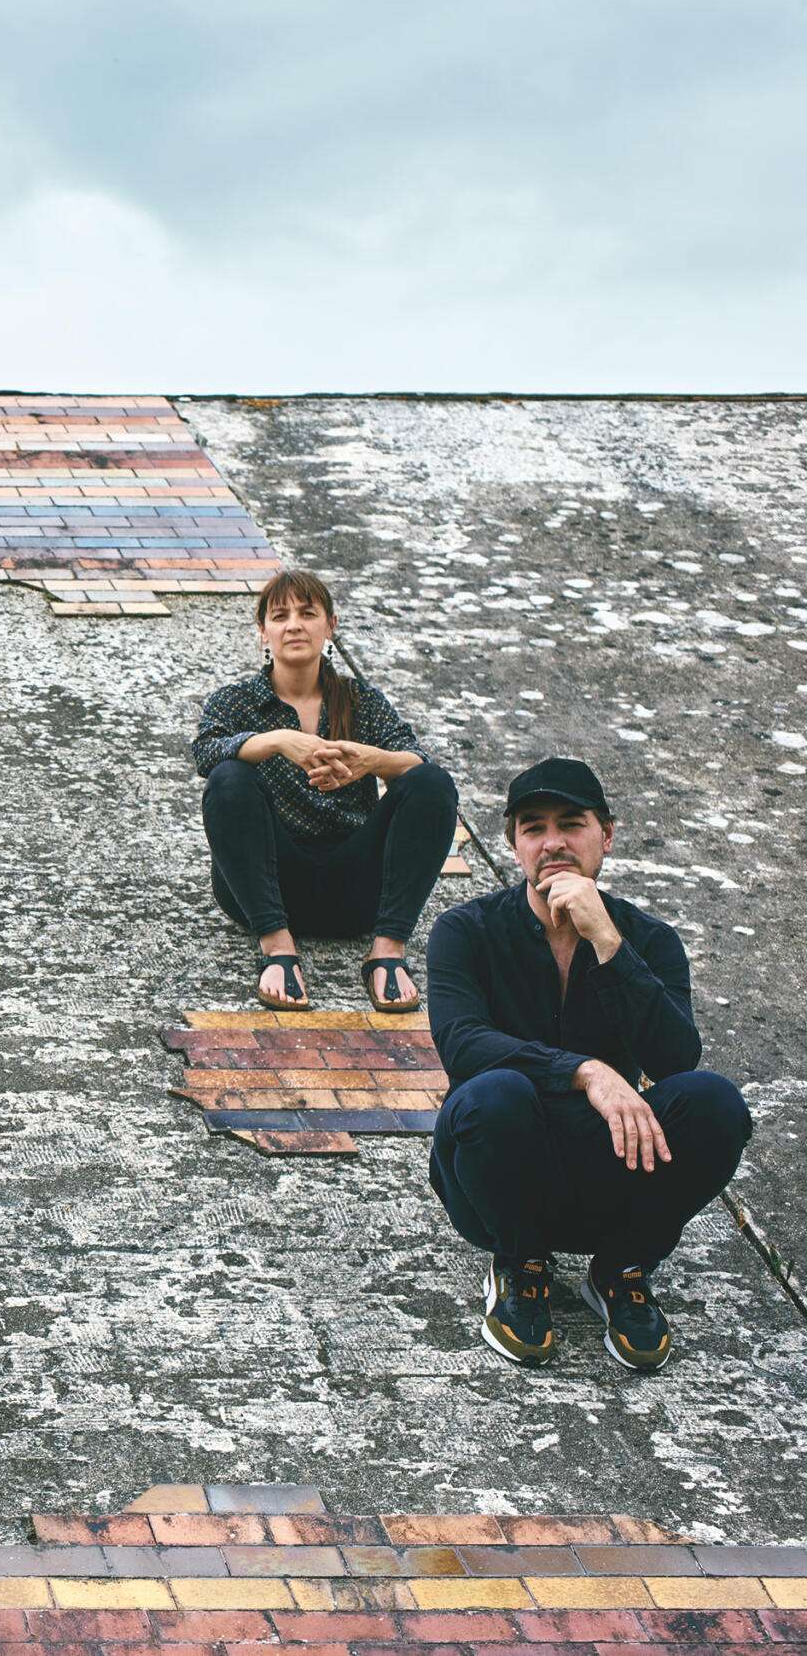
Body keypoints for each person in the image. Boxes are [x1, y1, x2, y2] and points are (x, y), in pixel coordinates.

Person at [426, 758, 752, 1372]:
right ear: (513, 843)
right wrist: (588, 1071)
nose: (552, 842)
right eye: (532, 827)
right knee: (493, 1091)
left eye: (571, 824)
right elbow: (462, 1045)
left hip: (611, 1175)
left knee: (715, 1103)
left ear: (607, 835)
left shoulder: (647, 941)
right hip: (496, 1172)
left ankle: (621, 1269)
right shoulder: (464, 932)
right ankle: (520, 1266)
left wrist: (608, 942)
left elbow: (676, 1057)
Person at [192, 567, 458, 1011]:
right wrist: (277, 742)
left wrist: (370, 762)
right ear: (263, 632)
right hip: (265, 881)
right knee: (228, 776)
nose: (294, 624)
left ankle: (387, 953)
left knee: (433, 782)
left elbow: (416, 763)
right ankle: (277, 948)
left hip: (356, 889)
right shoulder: (234, 702)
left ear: (330, 626)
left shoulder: (362, 701)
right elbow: (205, 754)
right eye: (280, 616)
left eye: (308, 613)